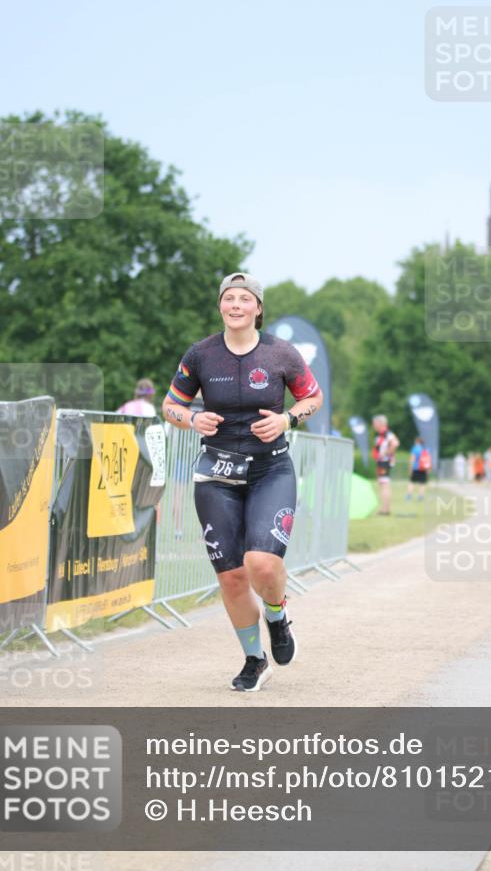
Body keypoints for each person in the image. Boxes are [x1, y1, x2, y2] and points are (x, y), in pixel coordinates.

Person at [162, 272, 323, 692]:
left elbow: (313, 397)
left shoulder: (280, 354)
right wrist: (193, 417)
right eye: (229, 299)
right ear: (220, 306)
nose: (236, 305)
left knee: (261, 563)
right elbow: (170, 406)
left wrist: (288, 418)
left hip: (270, 469)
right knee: (232, 576)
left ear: (258, 308)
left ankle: (277, 615)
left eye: (244, 299)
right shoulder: (200, 355)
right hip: (216, 474)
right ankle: (255, 659)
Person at [371, 415, 399, 515]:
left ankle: (385, 509)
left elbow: (395, 443)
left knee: (384, 485)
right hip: (382, 462)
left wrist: (386, 453)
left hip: (384, 462)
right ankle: (385, 508)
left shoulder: (387, 434)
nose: (373, 425)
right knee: (383, 484)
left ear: (380, 423)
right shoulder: (382, 435)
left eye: (374, 423)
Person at [407, 436, 431, 500]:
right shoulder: (425, 449)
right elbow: (428, 460)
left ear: (417, 441)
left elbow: (412, 459)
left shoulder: (415, 449)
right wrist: (428, 470)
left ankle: (409, 496)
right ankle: (421, 496)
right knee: (422, 483)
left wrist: (410, 468)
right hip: (423, 468)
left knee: (411, 482)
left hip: (415, 468)